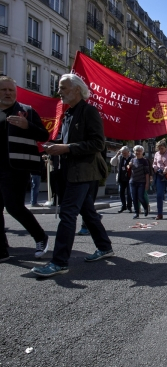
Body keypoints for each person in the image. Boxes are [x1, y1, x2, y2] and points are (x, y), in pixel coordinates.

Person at [32, 73, 113, 277]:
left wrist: (66, 148)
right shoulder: (68, 114)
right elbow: (65, 139)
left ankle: (59, 262)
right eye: (60, 87)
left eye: (63, 87)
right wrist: (54, 144)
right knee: (88, 212)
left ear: (77, 89)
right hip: (70, 172)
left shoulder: (89, 111)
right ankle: (105, 247)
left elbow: (97, 144)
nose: (59, 91)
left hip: (84, 173)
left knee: (68, 215)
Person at [0, 75, 50, 262]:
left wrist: (27, 125)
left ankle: (40, 237)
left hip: (16, 168)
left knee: (14, 207)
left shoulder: (26, 111)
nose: (7, 93)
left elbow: (44, 135)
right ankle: (2, 248)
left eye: (11, 90)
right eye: (3, 89)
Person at [129, 145, 150, 219]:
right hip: (132, 181)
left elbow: (147, 173)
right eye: (136, 151)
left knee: (140, 197)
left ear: (142, 152)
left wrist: (147, 183)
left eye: (139, 151)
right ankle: (136, 213)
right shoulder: (132, 160)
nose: (138, 152)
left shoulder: (144, 161)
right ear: (134, 152)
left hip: (141, 182)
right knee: (134, 198)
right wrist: (129, 166)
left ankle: (145, 207)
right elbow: (128, 169)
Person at [110, 145, 133, 213]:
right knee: (121, 192)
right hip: (121, 177)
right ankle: (123, 206)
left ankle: (129, 206)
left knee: (129, 193)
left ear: (128, 152)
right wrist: (117, 155)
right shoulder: (120, 157)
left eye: (125, 153)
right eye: (122, 153)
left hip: (130, 178)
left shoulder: (132, 157)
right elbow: (113, 163)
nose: (124, 154)